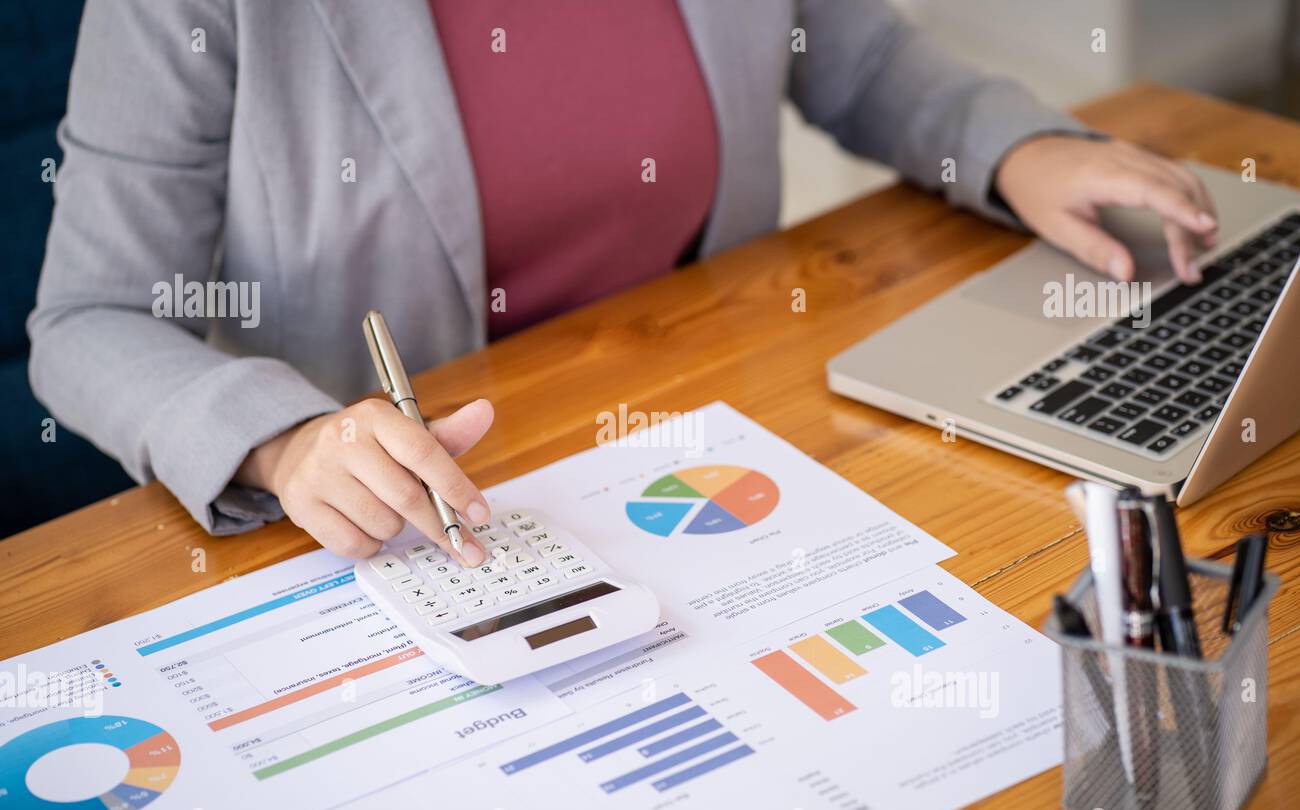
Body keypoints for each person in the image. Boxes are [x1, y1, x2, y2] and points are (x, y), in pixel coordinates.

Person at [29, 0, 1217, 566]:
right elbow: (88, 317)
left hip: (713, 441)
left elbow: (846, 52)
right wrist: (285, 444)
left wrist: (1008, 145)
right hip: (421, 523)